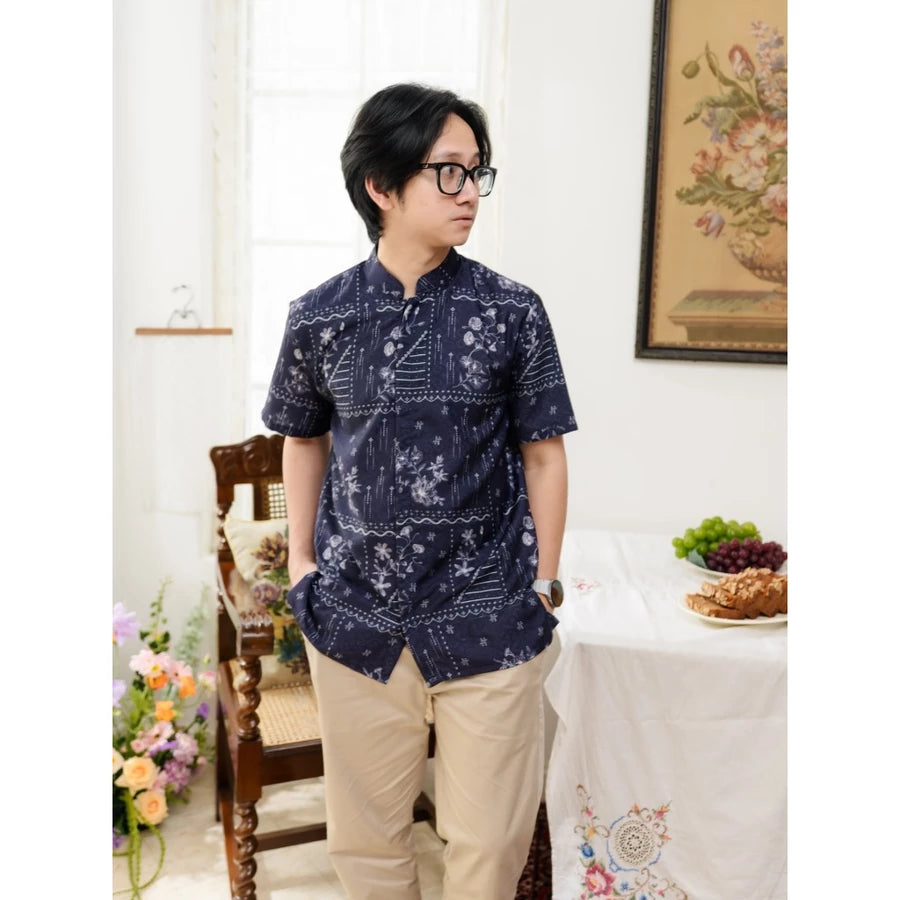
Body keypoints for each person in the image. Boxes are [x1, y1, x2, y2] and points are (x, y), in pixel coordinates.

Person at [262, 82, 577, 900]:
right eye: (448, 172)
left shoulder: (513, 311)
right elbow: (303, 438)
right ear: (380, 186)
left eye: (477, 172)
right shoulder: (318, 316)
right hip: (357, 617)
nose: (470, 192)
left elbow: (543, 455)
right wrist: (302, 564)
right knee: (367, 849)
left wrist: (543, 583)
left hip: (491, 615)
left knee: (490, 846)